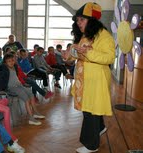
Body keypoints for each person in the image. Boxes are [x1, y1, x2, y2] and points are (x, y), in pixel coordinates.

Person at [70, 2, 115, 153]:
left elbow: (109, 58)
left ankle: (91, 145)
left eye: (82, 20)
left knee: (90, 110)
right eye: (77, 20)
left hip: (96, 81)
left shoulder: (104, 35)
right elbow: (78, 54)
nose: (78, 23)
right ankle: (100, 127)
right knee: (91, 109)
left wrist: (87, 52)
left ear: (92, 20)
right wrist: (69, 56)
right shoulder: (85, 35)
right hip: (85, 80)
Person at [0, 53, 45, 125]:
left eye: (12, 60)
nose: (11, 62)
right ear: (5, 63)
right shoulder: (4, 69)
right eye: (9, 61)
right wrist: (0, 89)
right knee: (27, 99)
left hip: (19, 85)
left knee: (31, 94)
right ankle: (31, 118)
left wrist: (22, 83)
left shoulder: (15, 66)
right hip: (12, 88)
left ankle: (35, 112)